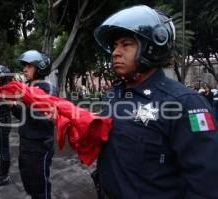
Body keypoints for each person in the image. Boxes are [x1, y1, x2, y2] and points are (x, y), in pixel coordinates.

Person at [91, 5, 218, 198]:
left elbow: (205, 184)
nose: (115, 52)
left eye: (126, 45)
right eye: (115, 46)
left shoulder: (185, 104)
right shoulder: (113, 95)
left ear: (152, 47)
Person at [11, 50, 57, 199]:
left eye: (29, 66)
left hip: (39, 146)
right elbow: (23, 116)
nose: (24, 69)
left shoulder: (47, 89)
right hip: (25, 142)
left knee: (40, 186)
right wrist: (12, 105)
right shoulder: (28, 88)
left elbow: (45, 119)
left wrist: (28, 102)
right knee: (27, 179)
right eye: (24, 66)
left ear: (40, 68)